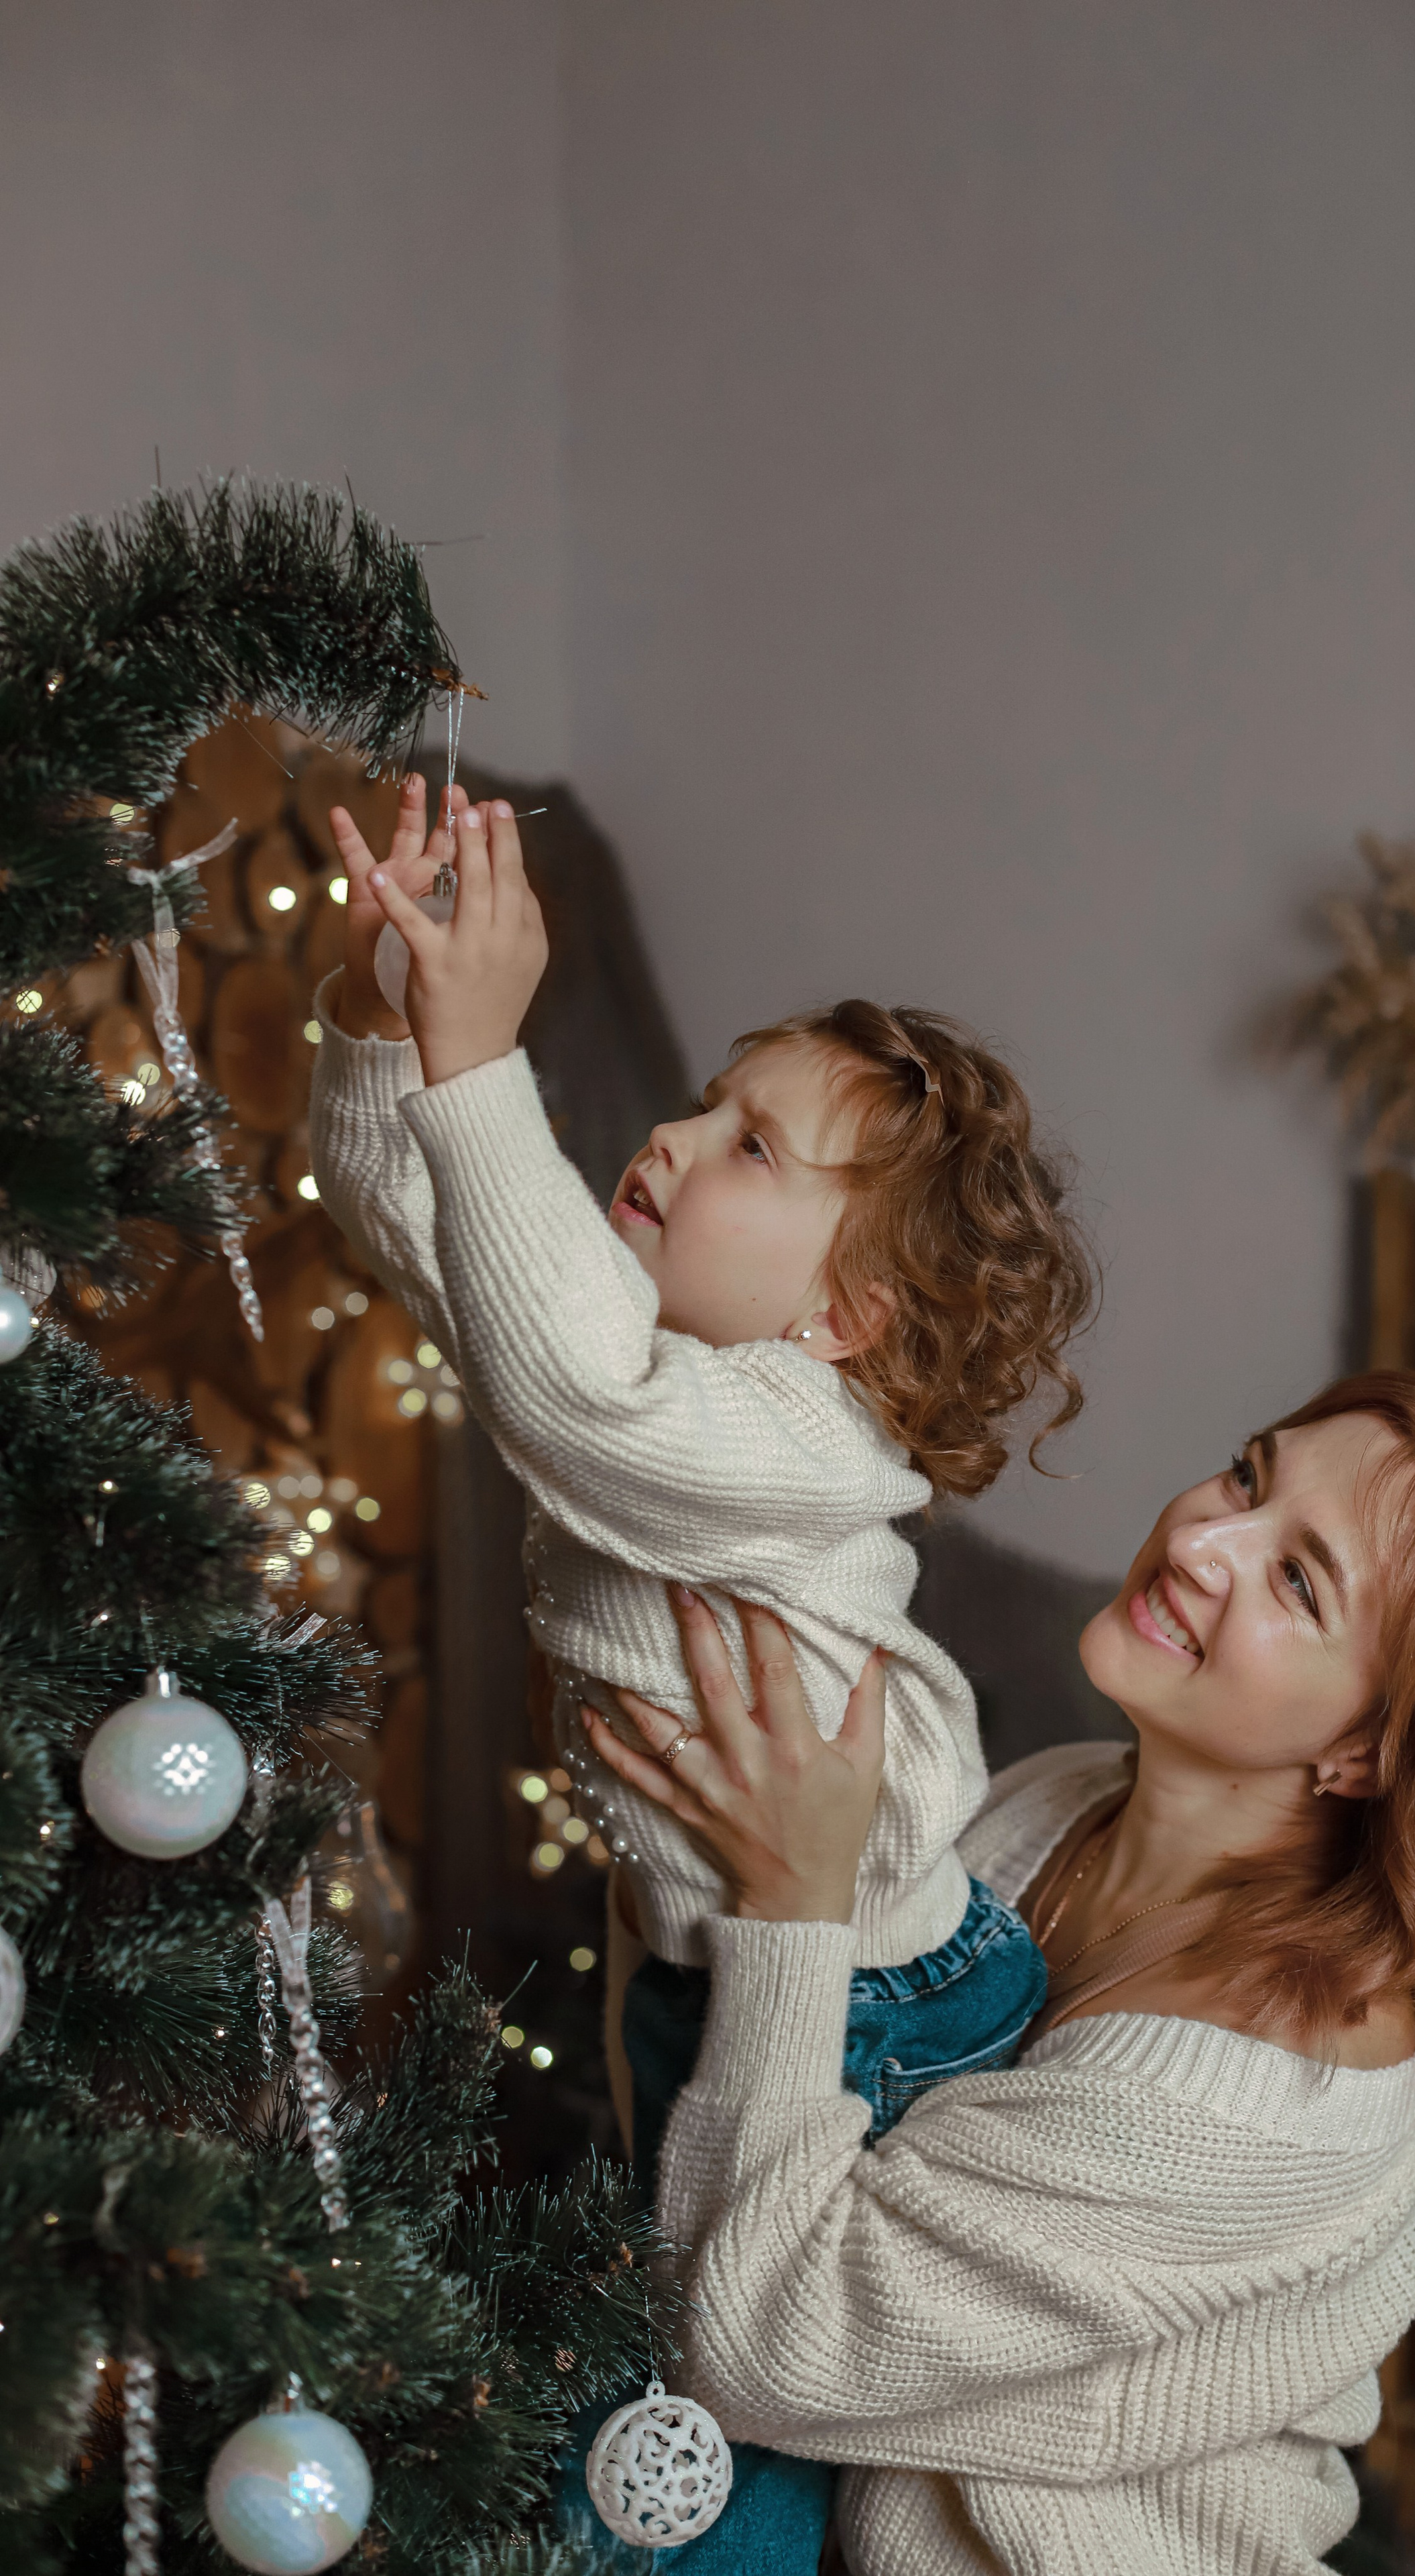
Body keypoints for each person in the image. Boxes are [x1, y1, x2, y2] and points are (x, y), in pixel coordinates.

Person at [306, 779, 1094, 2552]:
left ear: (848, 1321)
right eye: (700, 1100)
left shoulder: (797, 1438)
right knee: (653, 2442)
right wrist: (389, 1014)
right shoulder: (630, 1357)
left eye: (747, 1144)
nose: (661, 1135)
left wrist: (481, 1061)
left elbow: (570, 1378)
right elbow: (419, 1223)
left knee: (710, 2478)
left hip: (870, 2017)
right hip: (709, 1976)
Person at [584, 1371, 1415, 2575]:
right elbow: (749, 2112)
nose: (1201, 1539)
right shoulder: (1060, 1799)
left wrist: (792, 1908)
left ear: (1366, 1748)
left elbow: (757, 2347)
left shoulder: (1252, 2103)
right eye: (1249, 1473)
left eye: (1299, 1580)